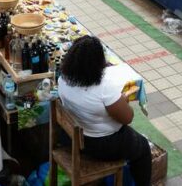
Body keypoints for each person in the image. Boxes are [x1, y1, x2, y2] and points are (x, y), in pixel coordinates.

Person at [58, 36, 152, 186]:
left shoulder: (63, 78)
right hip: (101, 145)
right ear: (98, 63)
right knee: (143, 147)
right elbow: (128, 118)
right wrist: (123, 100)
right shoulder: (104, 87)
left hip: (71, 139)